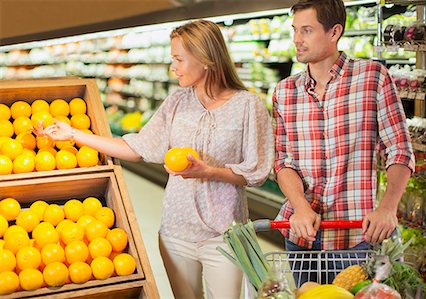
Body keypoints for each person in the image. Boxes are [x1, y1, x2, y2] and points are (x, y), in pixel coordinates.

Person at [41, 20, 274, 299]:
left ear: (206, 59)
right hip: (176, 231)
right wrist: (74, 134)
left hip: (224, 234)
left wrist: (209, 171)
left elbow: (255, 172)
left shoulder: (248, 106)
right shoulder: (176, 102)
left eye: (178, 59)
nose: (172, 67)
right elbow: (137, 148)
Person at [272, 0, 415, 283]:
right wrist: (300, 207)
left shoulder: (373, 78)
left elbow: (399, 150)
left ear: (334, 31)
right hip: (302, 238)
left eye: (307, 30)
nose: (297, 40)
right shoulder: (285, 91)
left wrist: (387, 208)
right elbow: (283, 162)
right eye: (295, 30)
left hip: (355, 237)